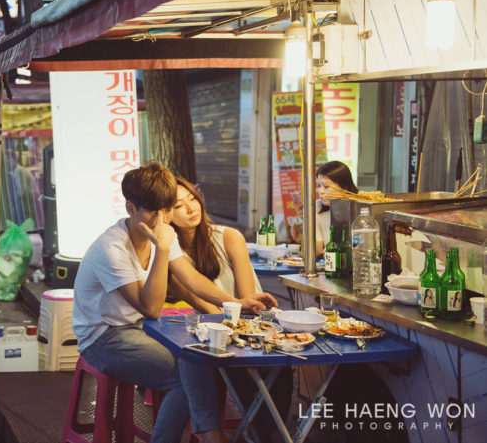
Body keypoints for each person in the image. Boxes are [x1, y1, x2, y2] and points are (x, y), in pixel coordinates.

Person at [72, 162, 276, 443]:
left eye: (167, 209)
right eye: (153, 211)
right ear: (130, 208)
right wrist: (162, 248)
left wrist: (237, 302)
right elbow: (151, 307)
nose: (162, 218)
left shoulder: (161, 230)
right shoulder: (112, 248)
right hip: (103, 336)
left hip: (141, 327)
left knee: (196, 356)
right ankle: (208, 436)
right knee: (185, 378)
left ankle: (210, 435)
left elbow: (191, 278)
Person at [170, 177, 291, 443]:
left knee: (276, 361)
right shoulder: (170, 252)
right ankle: (231, 432)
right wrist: (225, 328)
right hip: (210, 331)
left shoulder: (229, 237)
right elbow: (201, 304)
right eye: (179, 205)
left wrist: (237, 323)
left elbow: (248, 299)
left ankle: (269, 431)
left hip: (248, 324)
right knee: (204, 357)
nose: (191, 208)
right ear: (166, 213)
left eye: (192, 198)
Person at [315, 161, 358, 257]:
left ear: (344, 187)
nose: (320, 191)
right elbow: (318, 251)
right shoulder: (317, 208)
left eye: (326, 187)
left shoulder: (360, 208)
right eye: (319, 186)